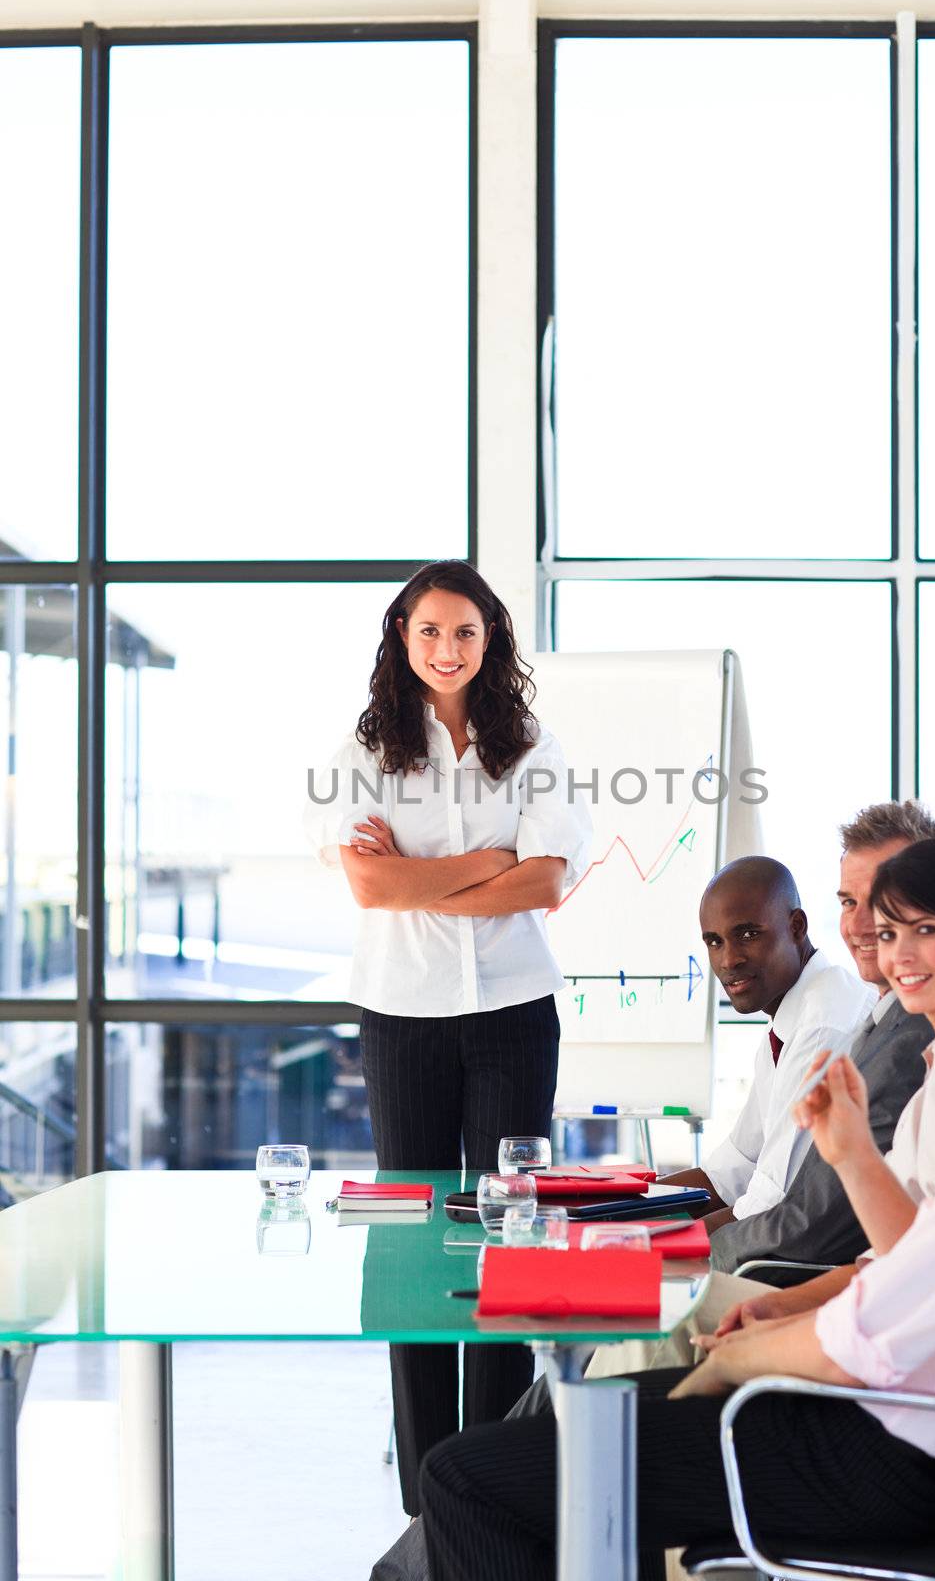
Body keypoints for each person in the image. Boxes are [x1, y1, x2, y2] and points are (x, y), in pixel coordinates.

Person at [418, 849, 935, 1581]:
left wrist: (736, 1361)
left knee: (465, 1479)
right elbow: (907, 1265)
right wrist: (849, 1160)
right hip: (900, 1428)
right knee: (582, 1421)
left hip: (895, 1453)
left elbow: (866, 1342)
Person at [303, 559, 591, 1517]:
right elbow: (369, 888)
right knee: (411, 1242)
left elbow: (547, 884)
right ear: (401, 637)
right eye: (427, 631)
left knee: (507, 1231)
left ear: (490, 641)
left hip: (514, 1012)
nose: (445, 648)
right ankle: (428, 1489)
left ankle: (493, 1475)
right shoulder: (364, 748)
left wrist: (432, 876)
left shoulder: (532, 745)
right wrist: (488, 866)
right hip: (401, 1015)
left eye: (463, 632)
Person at [714, 833, 935, 1335]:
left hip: (891, 1367)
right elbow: (892, 1260)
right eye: (886, 929)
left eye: (924, 927)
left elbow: (920, 1291)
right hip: (850, 1314)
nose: (894, 949)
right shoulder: (931, 1061)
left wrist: (774, 1340)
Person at [659, 854, 874, 1232]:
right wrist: (616, 1207)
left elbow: (770, 1201)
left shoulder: (824, 1024)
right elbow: (731, 1171)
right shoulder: (788, 1021)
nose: (729, 960)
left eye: (748, 934)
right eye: (714, 941)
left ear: (796, 927)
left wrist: (641, 1243)